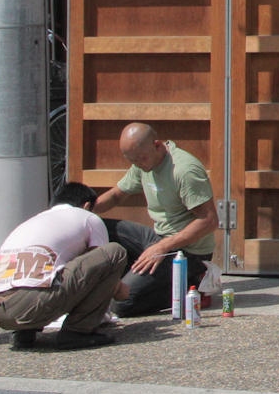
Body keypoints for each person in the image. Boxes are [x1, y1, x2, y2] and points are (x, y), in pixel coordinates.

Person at [90, 123, 217, 318]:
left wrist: (162, 247)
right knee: (96, 226)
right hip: (157, 238)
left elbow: (209, 220)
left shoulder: (184, 170)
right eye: (132, 160)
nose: (138, 164)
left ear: (157, 145)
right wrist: (80, 213)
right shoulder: (142, 163)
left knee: (122, 303)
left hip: (188, 251)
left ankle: (193, 286)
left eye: (141, 159)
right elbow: (116, 195)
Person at [0, 182, 129, 349]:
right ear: (87, 205)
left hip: (1, 312)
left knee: (42, 271)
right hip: (34, 304)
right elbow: (102, 268)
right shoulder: (88, 217)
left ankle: (24, 333)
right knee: (114, 252)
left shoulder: (31, 222)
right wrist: (121, 289)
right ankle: (78, 331)